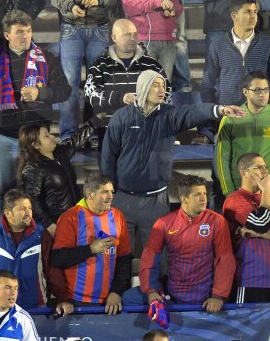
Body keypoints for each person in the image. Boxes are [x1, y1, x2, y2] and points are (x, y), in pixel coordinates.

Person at [102, 70, 245, 251]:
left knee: (156, 257)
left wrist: (219, 110)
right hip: (123, 199)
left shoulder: (169, 116)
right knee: (119, 257)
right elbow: (108, 156)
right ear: (144, 87)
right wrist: (110, 193)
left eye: (163, 85)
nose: (162, 89)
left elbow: (193, 112)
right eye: (156, 84)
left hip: (155, 201)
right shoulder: (121, 117)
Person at [0, 9, 69, 214]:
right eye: (20, 32)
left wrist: (41, 94)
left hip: (35, 139)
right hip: (6, 136)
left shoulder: (47, 58)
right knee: (3, 191)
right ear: (7, 35)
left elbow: (64, 90)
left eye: (28, 31)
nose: (25, 36)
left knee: (35, 193)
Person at [49, 0, 121, 141]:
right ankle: (69, 134)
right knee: (69, 84)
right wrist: (70, 5)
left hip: (100, 29)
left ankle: (96, 130)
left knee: (98, 84)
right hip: (71, 29)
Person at [198, 0, 270, 143]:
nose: (253, 16)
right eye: (247, 12)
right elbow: (207, 85)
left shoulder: (269, 44)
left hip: (260, 117)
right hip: (229, 117)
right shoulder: (218, 46)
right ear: (234, 16)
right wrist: (218, 113)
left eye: (255, 11)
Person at [140, 175, 236, 311]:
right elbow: (149, 259)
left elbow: (225, 259)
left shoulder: (217, 222)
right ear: (183, 199)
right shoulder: (164, 223)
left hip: (206, 298)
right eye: (197, 195)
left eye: (204, 193)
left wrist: (218, 296)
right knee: (128, 298)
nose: (204, 198)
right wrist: (151, 291)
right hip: (172, 297)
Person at [50, 174, 132, 315]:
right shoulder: (71, 217)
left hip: (110, 302)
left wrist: (117, 292)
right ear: (90, 194)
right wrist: (91, 249)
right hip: (76, 302)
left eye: (111, 192)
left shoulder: (118, 217)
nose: (110, 196)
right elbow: (58, 258)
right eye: (104, 192)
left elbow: (124, 259)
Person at [223, 153, 270, 303]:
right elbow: (261, 222)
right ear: (244, 173)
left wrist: (258, 234)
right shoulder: (234, 200)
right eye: (258, 167)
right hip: (249, 280)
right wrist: (267, 191)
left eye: (265, 167)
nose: (265, 171)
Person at [215, 71, 270, 196]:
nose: (263, 94)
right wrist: (229, 193)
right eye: (258, 90)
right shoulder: (229, 119)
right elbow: (222, 158)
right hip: (239, 188)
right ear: (245, 92)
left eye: (266, 90)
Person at [83, 19, 165, 143]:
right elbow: (91, 94)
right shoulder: (99, 66)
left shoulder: (152, 65)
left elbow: (166, 94)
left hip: (145, 132)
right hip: (110, 132)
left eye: (135, 34)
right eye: (127, 34)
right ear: (114, 37)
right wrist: (120, 98)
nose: (132, 38)